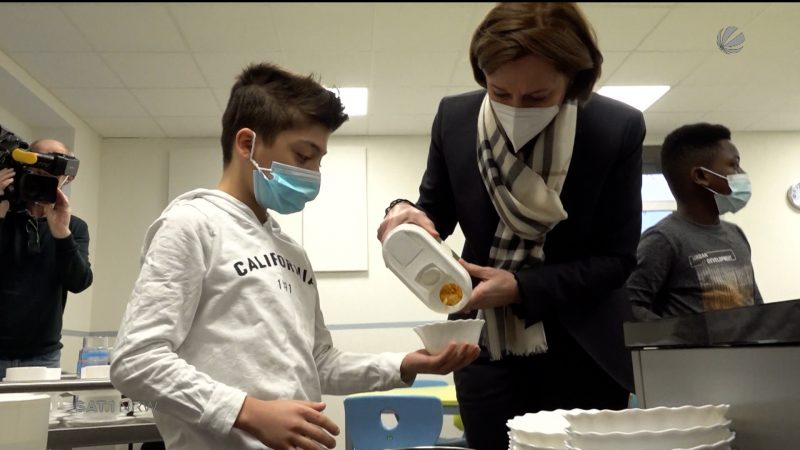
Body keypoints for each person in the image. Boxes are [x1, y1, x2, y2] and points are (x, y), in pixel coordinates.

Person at [109, 62, 480, 450]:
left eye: (319, 160)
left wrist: (407, 364)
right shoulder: (192, 224)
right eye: (304, 156)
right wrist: (248, 411)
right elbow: (137, 360)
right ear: (246, 144)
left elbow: (320, 362)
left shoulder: (292, 253)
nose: (314, 173)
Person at [377, 3, 646, 449]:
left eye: (537, 97)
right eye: (500, 92)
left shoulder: (615, 127)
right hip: (483, 342)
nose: (515, 108)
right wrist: (404, 211)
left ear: (574, 82)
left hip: (584, 345)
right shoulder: (455, 119)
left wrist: (522, 287)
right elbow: (434, 213)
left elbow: (617, 261)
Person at [627, 123, 763, 321]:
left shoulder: (735, 234)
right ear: (701, 176)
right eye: (733, 165)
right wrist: (680, 340)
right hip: (694, 353)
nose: (741, 173)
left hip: (747, 352)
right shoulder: (663, 239)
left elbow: (755, 303)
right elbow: (631, 305)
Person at [0, 139, 93, 379]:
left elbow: (79, 282)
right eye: (35, 171)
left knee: (38, 418)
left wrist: (61, 232)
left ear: (67, 178)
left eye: (49, 173)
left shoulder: (74, 227)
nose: (40, 177)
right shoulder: (4, 215)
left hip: (43, 355)